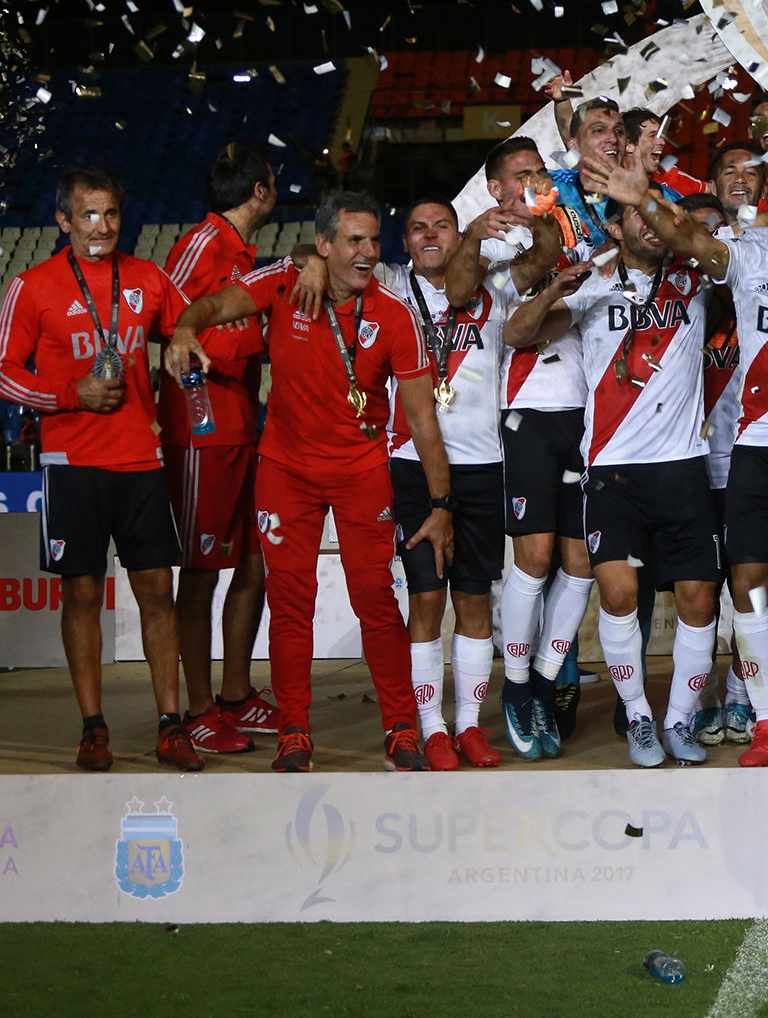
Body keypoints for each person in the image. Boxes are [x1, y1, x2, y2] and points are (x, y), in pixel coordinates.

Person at [587, 153, 768, 768]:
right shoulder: (746, 260)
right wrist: (642, 200)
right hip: (757, 450)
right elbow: (687, 236)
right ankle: (765, 721)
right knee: (747, 588)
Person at [164, 192, 454, 772]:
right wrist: (184, 332)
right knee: (291, 603)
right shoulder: (283, 285)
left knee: (375, 599)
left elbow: (423, 419)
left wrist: (442, 503)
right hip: (286, 472)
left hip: (361, 473)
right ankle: (294, 730)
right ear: (323, 246)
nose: (367, 252)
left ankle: (400, 728)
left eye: (373, 240)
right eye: (353, 240)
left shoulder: (395, 315)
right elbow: (210, 305)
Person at [505, 192, 721, 767]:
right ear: (615, 229)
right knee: (620, 596)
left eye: (659, 215)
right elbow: (517, 334)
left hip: (683, 468)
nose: (652, 225)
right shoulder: (595, 283)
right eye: (638, 216)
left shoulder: (696, 279)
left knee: (700, 601)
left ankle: (679, 720)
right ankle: (640, 717)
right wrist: (555, 289)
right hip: (610, 472)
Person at [0, 168, 199, 771]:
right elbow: (5, 372)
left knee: (157, 590)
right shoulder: (31, 286)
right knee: (82, 592)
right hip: (71, 464)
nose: (101, 226)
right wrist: (70, 395)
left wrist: (186, 340)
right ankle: (93, 728)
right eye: (88, 214)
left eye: (110, 214)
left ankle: (171, 723)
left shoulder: (146, 277)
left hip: (140, 458)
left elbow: (188, 325)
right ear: (64, 220)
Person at [158, 142, 285, 755]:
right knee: (201, 571)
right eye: (275, 182)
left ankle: (235, 695)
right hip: (201, 429)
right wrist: (250, 341)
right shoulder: (201, 244)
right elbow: (170, 322)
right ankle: (199, 708)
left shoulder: (242, 253)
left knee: (253, 564)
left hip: (243, 424)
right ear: (260, 191)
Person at [479, 136, 600, 758]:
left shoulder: (573, 235)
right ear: (497, 189)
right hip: (525, 411)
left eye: (539, 173)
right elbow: (516, 329)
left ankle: (547, 681)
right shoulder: (490, 248)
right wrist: (558, 285)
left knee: (581, 563)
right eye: (520, 175)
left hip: (585, 414)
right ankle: (518, 684)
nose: (533, 184)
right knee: (533, 558)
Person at [388, 200, 515, 770]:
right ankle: (432, 728)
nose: (430, 235)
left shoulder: (493, 287)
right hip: (412, 463)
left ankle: (468, 725)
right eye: (418, 228)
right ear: (406, 242)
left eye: (442, 226)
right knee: (424, 597)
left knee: (474, 599)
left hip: (483, 463)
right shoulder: (390, 290)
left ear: (461, 238)